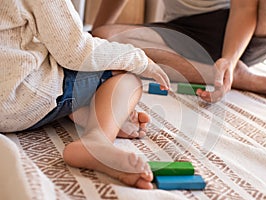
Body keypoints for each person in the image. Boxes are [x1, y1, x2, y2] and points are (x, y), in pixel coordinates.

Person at [0, 0, 171, 189]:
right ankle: (96, 139)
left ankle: (91, 111)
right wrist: (140, 60)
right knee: (126, 79)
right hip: (15, 98)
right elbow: (75, 51)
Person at [92, 0, 266, 104]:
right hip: (185, 31)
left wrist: (229, 58)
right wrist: (94, 41)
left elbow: (245, 8)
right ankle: (233, 76)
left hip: (245, 31)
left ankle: (229, 68)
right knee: (106, 36)